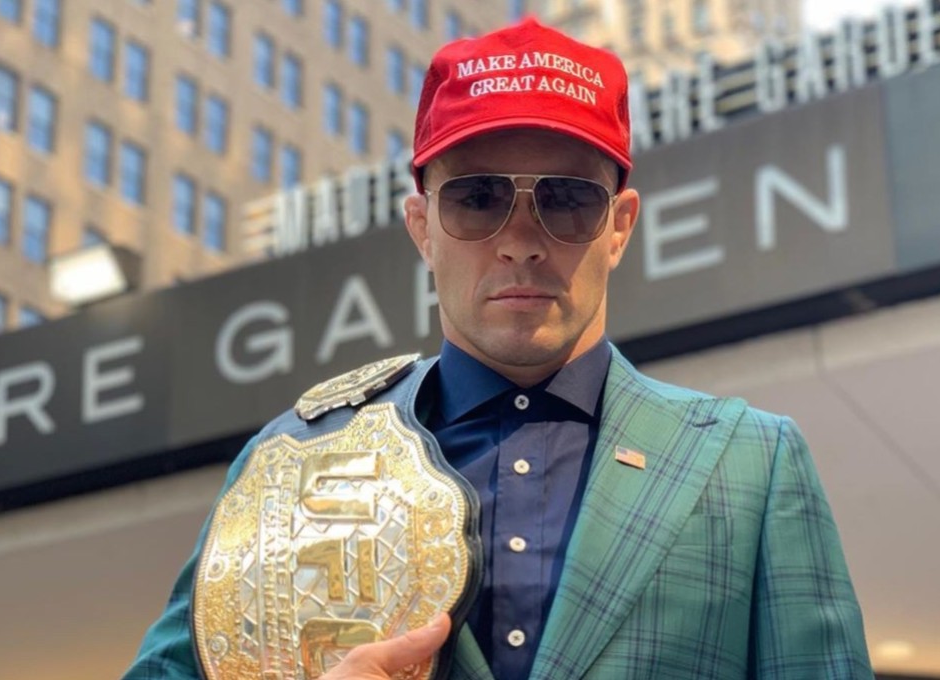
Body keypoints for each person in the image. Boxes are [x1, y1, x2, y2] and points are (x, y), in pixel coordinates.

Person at [122, 17, 873, 680]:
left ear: (620, 225)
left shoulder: (752, 464)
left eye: (567, 200)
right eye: (476, 198)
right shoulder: (290, 461)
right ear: (421, 226)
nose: (520, 242)